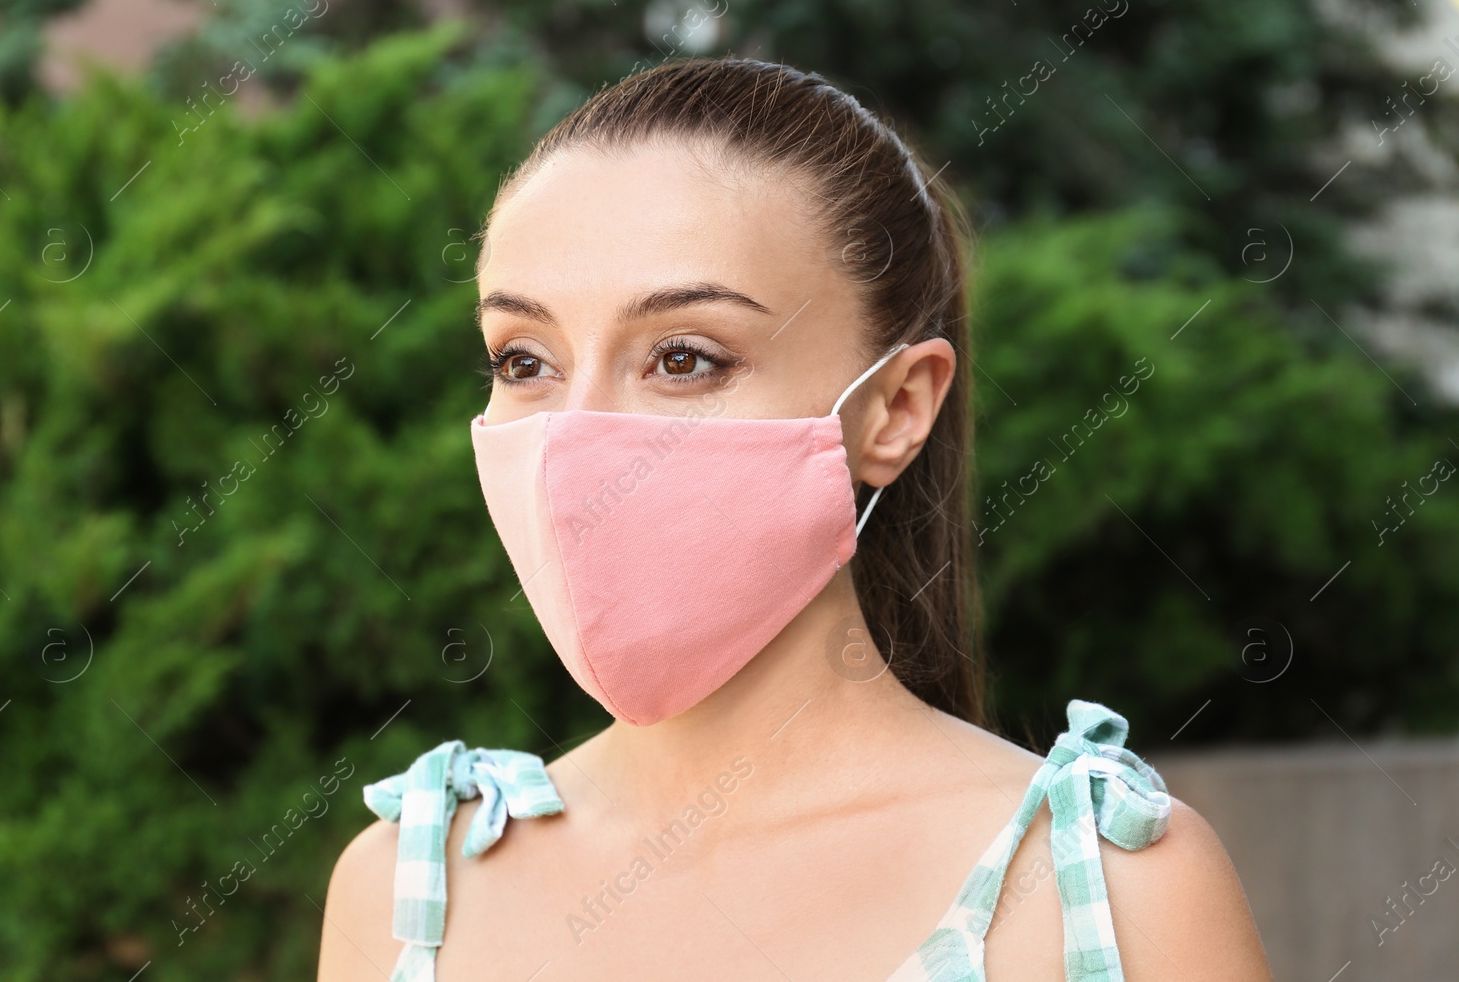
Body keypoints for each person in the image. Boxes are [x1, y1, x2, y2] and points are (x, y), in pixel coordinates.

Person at [317, 56, 1272, 982]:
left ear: (896, 408)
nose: (577, 439)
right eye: (524, 359)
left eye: (684, 357)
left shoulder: (1110, 889)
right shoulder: (405, 887)